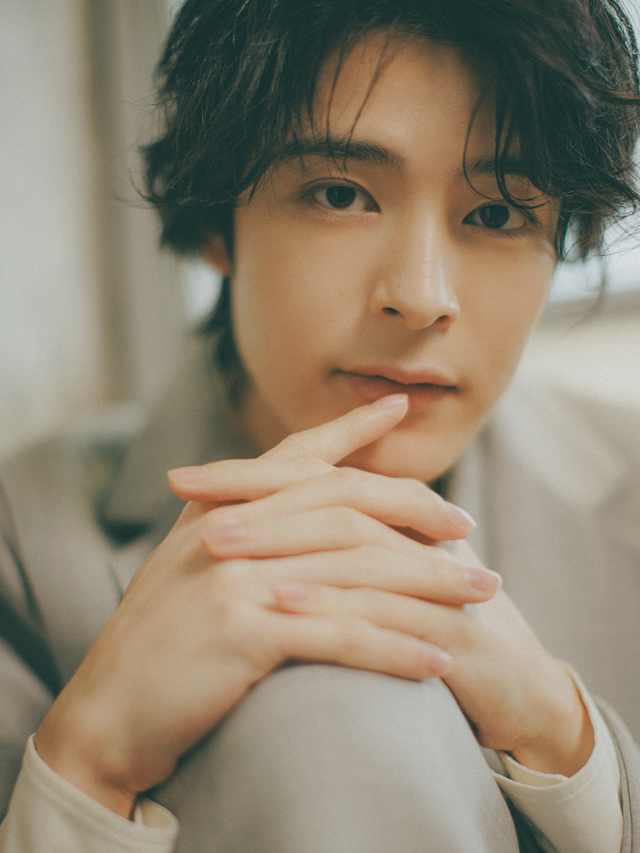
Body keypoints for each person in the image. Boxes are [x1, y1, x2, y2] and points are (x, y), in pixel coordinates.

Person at [1, 0, 640, 850]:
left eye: (495, 213)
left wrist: (573, 747)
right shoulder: (23, 534)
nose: (419, 296)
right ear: (218, 217)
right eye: (341, 194)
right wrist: (85, 762)